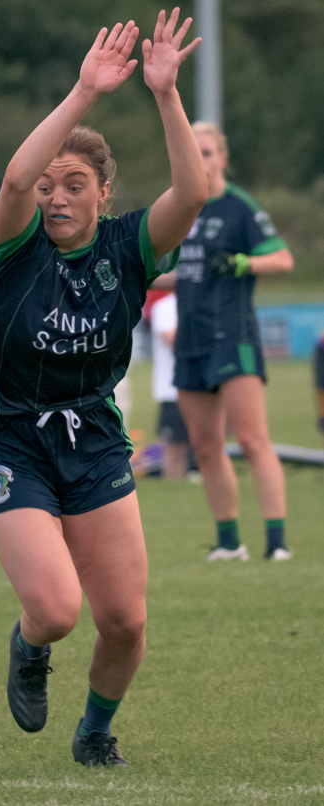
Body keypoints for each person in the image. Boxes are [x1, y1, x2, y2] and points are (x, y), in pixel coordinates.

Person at [0, 13, 207, 767]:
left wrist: (164, 95)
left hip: (92, 435)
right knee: (54, 609)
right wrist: (83, 92)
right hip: (9, 437)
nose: (55, 198)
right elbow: (11, 179)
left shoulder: (128, 247)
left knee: (125, 622)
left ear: (104, 191)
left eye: (73, 185)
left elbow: (191, 194)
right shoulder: (12, 243)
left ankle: (95, 730)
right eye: (48, 186)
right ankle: (28, 647)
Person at [173, 121, 294, 561]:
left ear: (222, 158)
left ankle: (276, 542)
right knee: (204, 446)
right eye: (193, 152)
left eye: (207, 152)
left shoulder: (239, 207)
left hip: (232, 337)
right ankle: (229, 542)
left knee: (251, 441)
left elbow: (282, 258)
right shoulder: (182, 206)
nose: (200, 160)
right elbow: (176, 271)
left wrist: (244, 261)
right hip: (190, 340)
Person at [150, 293, 190, 479]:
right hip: (171, 388)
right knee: (174, 444)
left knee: (205, 441)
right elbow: (172, 339)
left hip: (200, 386)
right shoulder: (165, 306)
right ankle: (172, 481)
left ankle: (188, 478)